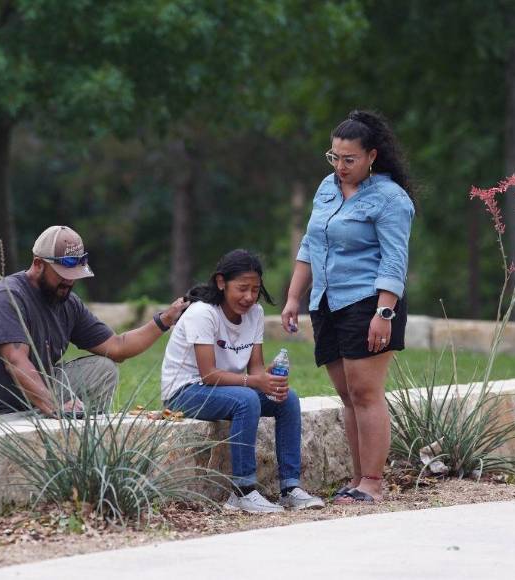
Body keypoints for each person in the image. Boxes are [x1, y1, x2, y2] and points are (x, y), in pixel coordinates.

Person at [281, 110, 415, 504]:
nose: (340, 166)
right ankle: (357, 480)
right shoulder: (327, 188)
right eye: (334, 157)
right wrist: (293, 297)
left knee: (365, 392)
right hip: (327, 302)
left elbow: (394, 260)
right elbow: (311, 244)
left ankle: (372, 482)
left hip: (368, 303)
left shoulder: (391, 199)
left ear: (372, 155)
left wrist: (384, 313)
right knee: (347, 395)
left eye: (349, 159)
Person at [0, 225, 187, 424]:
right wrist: (55, 406)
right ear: (38, 264)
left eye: (75, 273)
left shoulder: (67, 302)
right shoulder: (7, 296)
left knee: (104, 368)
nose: (69, 280)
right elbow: (16, 362)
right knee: (46, 416)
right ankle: (54, 424)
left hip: (31, 404)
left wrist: (165, 319)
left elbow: (117, 347)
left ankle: (74, 436)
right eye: (62, 273)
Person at [161, 249, 324, 513]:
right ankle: (242, 492)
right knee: (247, 400)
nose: (249, 297)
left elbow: (255, 368)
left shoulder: (255, 313)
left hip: (228, 389)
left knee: (288, 400)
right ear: (221, 282)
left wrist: (267, 378)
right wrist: (255, 382)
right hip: (185, 392)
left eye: (255, 290)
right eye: (242, 288)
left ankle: (290, 488)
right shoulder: (203, 313)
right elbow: (208, 375)